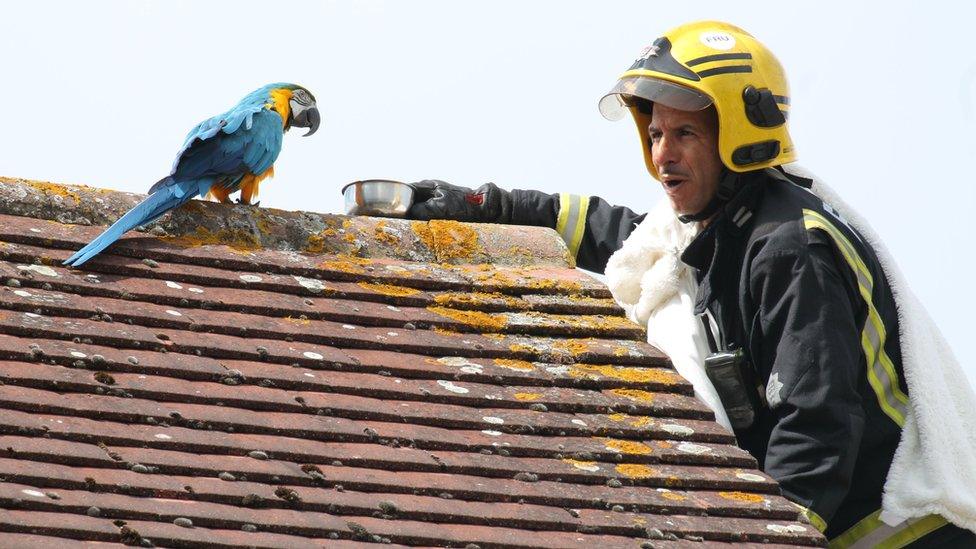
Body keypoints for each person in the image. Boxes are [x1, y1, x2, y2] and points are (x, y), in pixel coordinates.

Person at [408, 20, 976, 548]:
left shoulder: (789, 249)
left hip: (908, 536)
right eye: (654, 133)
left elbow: (816, 423)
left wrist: (769, 538)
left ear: (738, 136)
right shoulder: (719, 231)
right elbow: (626, 240)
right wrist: (484, 206)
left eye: (683, 133)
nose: (662, 156)